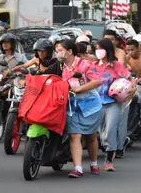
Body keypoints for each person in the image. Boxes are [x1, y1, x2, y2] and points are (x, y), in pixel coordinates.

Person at [57, 39, 103, 178]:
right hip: (72, 104)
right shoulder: (62, 67)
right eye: (56, 51)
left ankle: (94, 163)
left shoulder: (85, 64)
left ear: (70, 51)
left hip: (90, 104)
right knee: (74, 135)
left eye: (59, 50)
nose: (57, 53)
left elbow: (97, 81)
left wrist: (80, 88)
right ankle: (78, 168)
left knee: (91, 136)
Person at [93, 38, 136, 171]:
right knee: (100, 132)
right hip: (95, 103)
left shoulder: (117, 65)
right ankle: (99, 155)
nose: (98, 51)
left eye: (100, 48)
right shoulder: (93, 66)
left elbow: (131, 80)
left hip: (113, 103)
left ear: (107, 50)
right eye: (96, 48)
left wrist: (133, 89)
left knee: (110, 130)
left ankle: (109, 160)